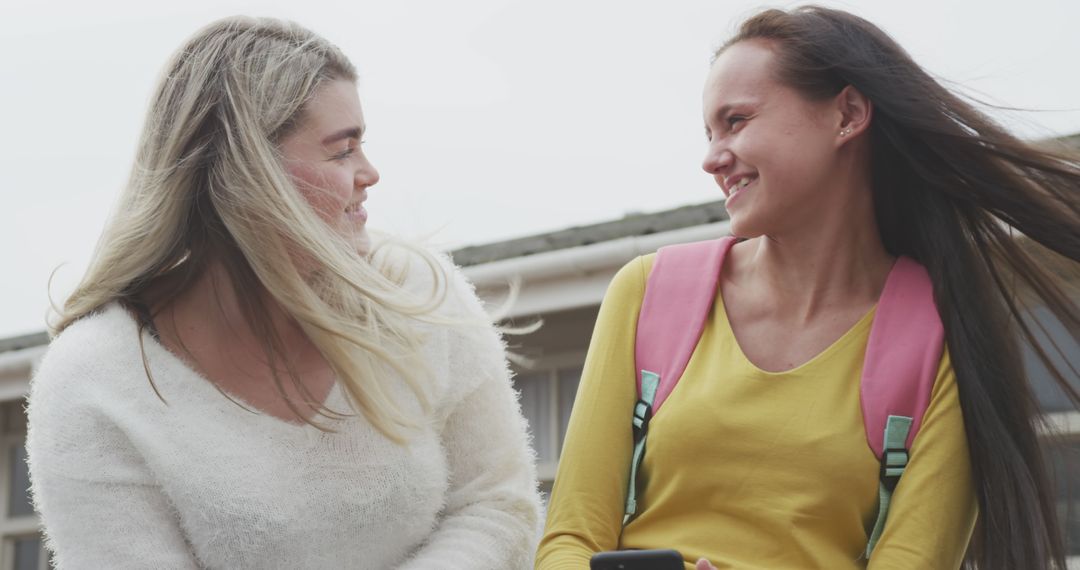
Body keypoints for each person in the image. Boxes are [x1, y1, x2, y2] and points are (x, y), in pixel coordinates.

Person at [537, 6, 1079, 570]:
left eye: (737, 120)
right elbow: (568, 542)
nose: (711, 158)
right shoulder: (648, 291)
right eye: (709, 131)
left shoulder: (944, 334)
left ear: (846, 114)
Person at [26, 16, 541, 569]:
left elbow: (498, 506)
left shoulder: (416, 292)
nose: (370, 172)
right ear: (248, 171)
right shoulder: (95, 379)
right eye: (342, 151)